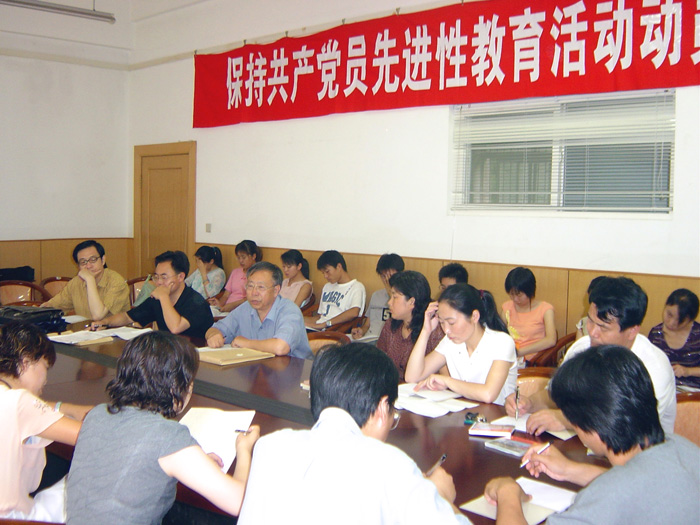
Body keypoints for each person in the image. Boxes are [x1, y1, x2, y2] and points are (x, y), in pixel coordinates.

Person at [237, 343, 470, 524]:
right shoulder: (389, 464)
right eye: (393, 415)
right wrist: (440, 497)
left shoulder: (270, 447)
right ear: (382, 408)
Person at [484, 345, 700, 525]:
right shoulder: (684, 449)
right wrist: (570, 470)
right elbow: (646, 487)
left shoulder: (605, 499)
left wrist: (508, 493)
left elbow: (621, 490)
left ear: (592, 427)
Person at [66, 332, 260, 523]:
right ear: (177, 387)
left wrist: (193, 462)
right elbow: (239, 502)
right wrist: (244, 450)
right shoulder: (167, 436)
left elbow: (133, 462)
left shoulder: (97, 414)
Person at [507, 276, 676, 436]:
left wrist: (565, 420)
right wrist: (529, 403)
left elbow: (629, 429)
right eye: (590, 321)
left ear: (632, 331)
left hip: (639, 452)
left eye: (603, 327)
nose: (593, 332)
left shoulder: (654, 368)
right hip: (581, 444)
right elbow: (554, 395)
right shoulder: (583, 347)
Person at [1, 321, 90, 522]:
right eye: (45, 367)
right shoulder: (20, 402)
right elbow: (88, 435)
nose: (46, 379)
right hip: (13, 518)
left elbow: (34, 409)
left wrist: (67, 408)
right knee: (98, 473)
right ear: (26, 362)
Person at [405, 284, 517, 405]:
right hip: (466, 411)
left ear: (474, 316)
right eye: (442, 322)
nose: (446, 330)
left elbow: (488, 394)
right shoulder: (450, 342)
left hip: (497, 414)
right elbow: (412, 377)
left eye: (451, 323)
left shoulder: (502, 342)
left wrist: (447, 381)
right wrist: (426, 331)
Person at [93, 250, 214, 339]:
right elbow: (128, 317)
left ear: (181, 277)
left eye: (164, 277)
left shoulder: (195, 302)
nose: (159, 282)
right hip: (168, 353)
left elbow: (175, 328)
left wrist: (164, 297)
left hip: (196, 355)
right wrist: (105, 322)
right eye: (156, 277)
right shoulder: (157, 299)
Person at [205, 262, 312, 359]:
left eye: (261, 287)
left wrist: (246, 343)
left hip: (292, 370)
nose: (254, 293)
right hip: (255, 368)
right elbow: (215, 329)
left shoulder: (289, 310)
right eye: (250, 286)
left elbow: (281, 347)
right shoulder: (245, 308)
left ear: (276, 290)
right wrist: (213, 336)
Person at [376, 270, 444, 381]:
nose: (389, 302)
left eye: (395, 297)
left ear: (411, 302)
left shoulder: (433, 331)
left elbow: (444, 376)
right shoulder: (390, 325)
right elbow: (379, 360)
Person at [41, 240, 130, 321]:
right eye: (83, 262)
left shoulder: (117, 282)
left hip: (114, 332)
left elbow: (98, 315)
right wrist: (40, 310)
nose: (88, 266)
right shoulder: (76, 282)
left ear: (103, 260)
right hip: (85, 331)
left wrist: (90, 280)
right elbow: (53, 306)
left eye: (93, 260)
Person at [501, 266, 557, 362]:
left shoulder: (545, 309)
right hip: (508, 355)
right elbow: (500, 334)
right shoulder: (507, 307)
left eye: (519, 295)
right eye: (511, 294)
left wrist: (519, 352)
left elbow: (551, 340)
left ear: (530, 291)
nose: (515, 299)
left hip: (532, 359)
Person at [648, 288, 700, 390]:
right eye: (669, 315)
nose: (671, 322)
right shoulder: (655, 334)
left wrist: (688, 371)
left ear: (690, 320)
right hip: (664, 389)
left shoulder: (698, 334)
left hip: (693, 390)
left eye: (679, 320)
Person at [305, 250, 366, 331]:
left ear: (339, 267)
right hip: (318, 328)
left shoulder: (356, 287)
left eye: (327, 272)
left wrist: (325, 324)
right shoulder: (327, 286)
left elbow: (354, 312)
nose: (325, 276)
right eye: (323, 273)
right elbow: (321, 317)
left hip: (334, 330)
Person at [352, 253, 405, 341]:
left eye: (390, 276)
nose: (387, 280)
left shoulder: (405, 298)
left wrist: (390, 290)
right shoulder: (376, 295)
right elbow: (367, 325)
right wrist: (361, 331)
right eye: (383, 276)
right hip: (370, 339)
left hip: (388, 341)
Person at [210, 240, 261, 313]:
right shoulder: (235, 272)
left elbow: (251, 298)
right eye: (238, 257)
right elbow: (226, 295)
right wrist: (219, 304)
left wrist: (232, 306)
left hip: (243, 311)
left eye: (243, 257)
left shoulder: (259, 274)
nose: (241, 261)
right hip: (226, 309)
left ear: (253, 256)